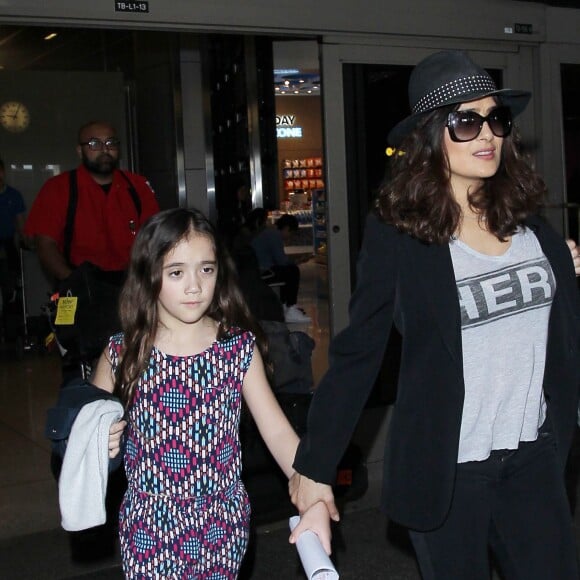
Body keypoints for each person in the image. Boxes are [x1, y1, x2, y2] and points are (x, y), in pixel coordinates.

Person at [289, 50, 580, 579]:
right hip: (450, 466)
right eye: (465, 121)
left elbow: (563, 337)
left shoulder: (534, 230)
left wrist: (563, 268)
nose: (487, 132)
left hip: (534, 457)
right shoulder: (400, 234)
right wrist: (315, 463)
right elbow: (360, 351)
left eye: (496, 118)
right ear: (430, 136)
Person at [92, 207, 330, 578]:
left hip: (222, 521)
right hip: (150, 524)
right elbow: (83, 436)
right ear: (147, 274)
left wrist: (311, 486)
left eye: (206, 269)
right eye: (176, 272)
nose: (194, 286)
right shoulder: (122, 353)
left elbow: (278, 432)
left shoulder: (236, 348)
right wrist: (99, 441)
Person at [24, 121, 159, 367]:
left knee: (138, 358)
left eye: (111, 143)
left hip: (128, 285)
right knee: (80, 362)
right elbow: (45, 244)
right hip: (78, 284)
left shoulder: (137, 187)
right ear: (80, 150)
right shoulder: (58, 189)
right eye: (94, 144)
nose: (104, 149)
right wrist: (73, 281)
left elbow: (155, 238)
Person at [248, 208, 311, 323]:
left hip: (257, 270)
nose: (289, 237)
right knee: (292, 271)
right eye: (291, 233)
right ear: (287, 228)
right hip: (262, 271)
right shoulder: (274, 235)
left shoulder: (268, 232)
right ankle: (290, 306)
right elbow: (281, 261)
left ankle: (286, 306)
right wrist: (298, 261)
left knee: (287, 271)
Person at [0, 158, 26, 328]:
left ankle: (11, 329)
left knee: (11, 289)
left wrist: (24, 241)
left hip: (7, 246)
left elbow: (20, 224)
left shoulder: (13, 195)